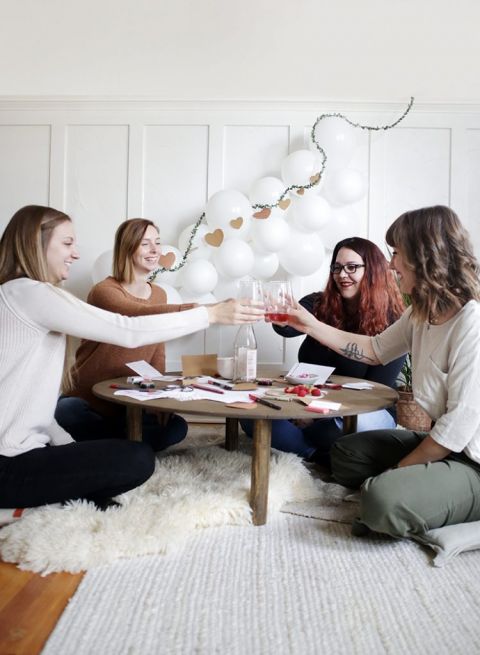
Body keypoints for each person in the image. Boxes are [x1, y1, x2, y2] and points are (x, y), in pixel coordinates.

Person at [0, 205, 264, 510]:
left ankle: (56, 497)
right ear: (36, 242)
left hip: (25, 451)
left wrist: (72, 452)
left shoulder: (21, 295)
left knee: (135, 449)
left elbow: (38, 414)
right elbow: (129, 329)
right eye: (67, 243)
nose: (75, 254)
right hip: (10, 462)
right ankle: (25, 509)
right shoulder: (31, 294)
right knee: (137, 459)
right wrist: (211, 313)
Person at [286, 206, 480, 540]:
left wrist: (396, 473)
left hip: (473, 458)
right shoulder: (421, 312)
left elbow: (456, 429)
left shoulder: (471, 321)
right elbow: (374, 349)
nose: (390, 265)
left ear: (424, 256)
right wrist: (310, 324)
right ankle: (426, 487)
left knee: (381, 498)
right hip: (449, 448)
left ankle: (438, 494)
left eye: (396, 254)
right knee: (345, 455)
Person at [241, 237, 405, 465]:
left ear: (373, 270)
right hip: (308, 402)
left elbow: (378, 392)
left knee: (340, 425)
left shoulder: (394, 321)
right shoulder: (319, 303)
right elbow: (288, 328)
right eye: (337, 267)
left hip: (359, 410)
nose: (342, 274)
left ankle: (306, 444)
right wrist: (282, 316)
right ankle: (316, 455)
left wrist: (318, 412)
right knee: (251, 415)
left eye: (352, 267)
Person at [55, 218, 195, 452]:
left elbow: (157, 350)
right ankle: (126, 443)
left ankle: (115, 444)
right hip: (88, 399)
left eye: (157, 243)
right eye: (145, 244)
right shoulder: (105, 291)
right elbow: (137, 313)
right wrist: (203, 311)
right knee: (66, 412)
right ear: (128, 248)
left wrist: (158, 398)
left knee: (177, 427)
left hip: (129, 399)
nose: (155, 250)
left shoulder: (159, 294)